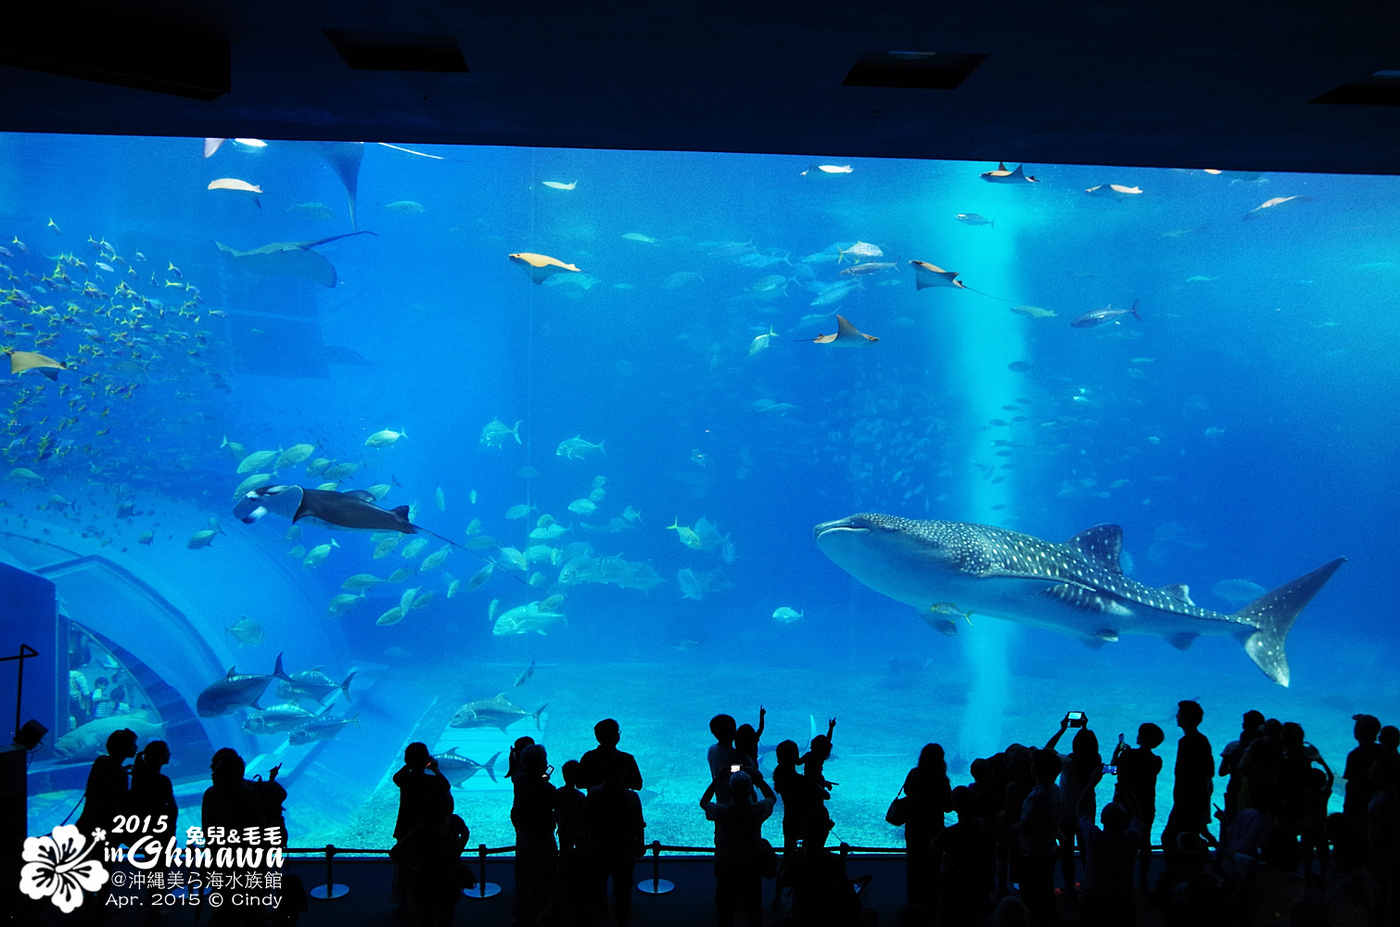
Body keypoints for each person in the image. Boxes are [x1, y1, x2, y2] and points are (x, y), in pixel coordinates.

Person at [701, 768, 776, 927]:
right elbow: (771, 798)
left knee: (724, 911)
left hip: (727, 866)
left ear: (729, 789)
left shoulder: (722, 811)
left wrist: (717, 780)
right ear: (750, 789)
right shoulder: (756, 811)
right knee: (754, 910)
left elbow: (704, 803)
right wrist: (759, 780)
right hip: (751, 867)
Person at [583, 757, 645, 926]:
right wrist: (640, 844)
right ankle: (623, 916)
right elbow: (639, 824)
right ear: (624, 772)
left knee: (598, 882)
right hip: (623, 848)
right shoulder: (632, 796)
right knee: (624, 885)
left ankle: (599, 913)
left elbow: (585, 819)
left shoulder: (594, 793)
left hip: (598, 846)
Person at [1075, 767, 1141, 926]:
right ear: (1125, 822)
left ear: (1102, 821)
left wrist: (1092, 782)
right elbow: (1138, 814)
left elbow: (1079, 809)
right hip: (1123, 899)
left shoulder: (1094, 837)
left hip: (1094, 897)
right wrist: (1125, 786)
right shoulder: (1131, 839)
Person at [1045, 713, 1101, 900]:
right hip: (1086, 814)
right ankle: (1089, 885)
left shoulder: (1068, 763)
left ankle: (1069, 889)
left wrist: (1062, 729)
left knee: (1067, 853)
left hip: (1067, 815)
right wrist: (1085, 729)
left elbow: (1048, 749)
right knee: (1087, 851)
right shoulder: (1096, 762)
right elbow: (1088, 750)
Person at [396, 790, 472, 927]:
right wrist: (456, 854)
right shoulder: (455, 821)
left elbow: (395, 852)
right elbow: (465, 833)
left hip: (426, 877)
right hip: (448, 877)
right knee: (446, 916)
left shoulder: (423, 827)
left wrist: (412, 870)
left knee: (427, 918)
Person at [392, 742, 452, 906]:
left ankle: (403, 901)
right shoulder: (430, 781)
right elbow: (445, 785)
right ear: (426, 759)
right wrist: (435, 768)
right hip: (425, 828)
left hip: (406, 825)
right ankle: (425, 899)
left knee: (405, 865)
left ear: (406, 760)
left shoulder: (404, 779)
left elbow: (396, 777)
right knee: (425, 862)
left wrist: (410, 764)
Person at [782, 807, 861, 927]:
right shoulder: (835, 861)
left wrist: (793, 855)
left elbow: (784, 880)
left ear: (804, 833)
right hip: (828, 914)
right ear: (825, 834)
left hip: (803, 913)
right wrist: (843, 856)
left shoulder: (797, 862)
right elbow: (843, 881)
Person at [1012, 748, 1063, 926]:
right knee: (1045, 890)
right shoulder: (1055, 789)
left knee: (1030, 894)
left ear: (1035, 769)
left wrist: (1009, 827)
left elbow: (1024, 826)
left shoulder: (1036, 797)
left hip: (1032, 854)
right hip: (1049, 849)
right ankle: (1049, 917)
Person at [932, 785, 994, 927]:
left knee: (948, 912)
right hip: (975, 876)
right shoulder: (982, 825)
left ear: (954, 805)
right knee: (971, 913)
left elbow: (934, 846)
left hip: (952, 877)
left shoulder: (949, 833)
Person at [1161, 700, 1213, 869]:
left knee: (1170, 838)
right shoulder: (1202, 740)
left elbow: (1185, 776)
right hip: (1195, 802)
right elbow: (1210, 772)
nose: (1176, 716)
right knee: (1187, 838)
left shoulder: (1187, 742)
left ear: (1186, 718)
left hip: (1186, 802)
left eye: (1180, 713)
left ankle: (1177, 874)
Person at [901, 742, 952, 915]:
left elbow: (907, 791)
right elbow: (948, 806)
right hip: (934, 828)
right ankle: (931, 902)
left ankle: (913, 901)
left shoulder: (914, 774)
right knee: (932, 865)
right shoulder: (942, 780)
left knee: (914, 863)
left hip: (914, 826)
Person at [1112, 722, 1164, 890]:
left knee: (1120, 839)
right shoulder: (1157, 760)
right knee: (1145, 840)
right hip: (1146, 805)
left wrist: (1117, 752)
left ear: (1141, 738)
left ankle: (1120, 876)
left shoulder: (1127, 755)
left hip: (1124, 803)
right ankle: (1143, 878)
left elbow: (1113, 770)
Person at [511, 744, 558, 927]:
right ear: (542, 764)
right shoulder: (544, 787)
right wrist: (545, 781)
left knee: (524, 877)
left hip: (524, 835)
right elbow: (559, 801)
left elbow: (523, 774)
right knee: (546, 876)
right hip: (543, 837)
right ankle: (540, 916)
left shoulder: (519, 779)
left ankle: (518, 916)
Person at [76, 728, 137, 846]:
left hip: (86, 823)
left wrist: (122, 770)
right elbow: (122, 801)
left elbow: (106, 781)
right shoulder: (119, 772)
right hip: (105, 829)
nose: (136, 747)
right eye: (133, 744)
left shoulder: (101, 760)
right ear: (123, 747)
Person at [124, 740, 177, 856]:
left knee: (150, 868)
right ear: (159, 756)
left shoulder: (139, 778)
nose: (169, 754)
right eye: (166, 752)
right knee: (160, 868)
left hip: (144, 832)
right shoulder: (162, 781)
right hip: (160, 833)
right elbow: (173, 808)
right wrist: (171, 830)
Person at [1344, 713, 1385, 860]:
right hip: (1379, 809)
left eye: (1356, 726)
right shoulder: (1384, 751)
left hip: (1357, 810)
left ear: (1359, 731)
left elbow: (1353, 784)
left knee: (1358, 849)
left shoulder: (1355, 755)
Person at [579, 718, 643, 792]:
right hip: (620, 801)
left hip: (595, 801)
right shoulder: (626, 758)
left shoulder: (588, 757)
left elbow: (580, 783)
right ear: (616, 737)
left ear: (597, 737)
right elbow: (638, 785)